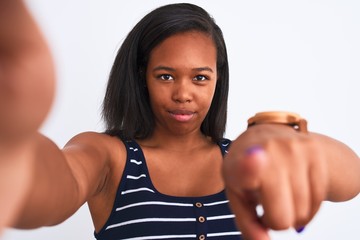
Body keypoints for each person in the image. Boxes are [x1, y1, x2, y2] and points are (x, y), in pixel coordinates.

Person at [1, 1, 359, 240]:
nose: (183, 94)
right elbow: (50, 185)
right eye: (166, 76)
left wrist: (280, 135)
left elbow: (351, 179)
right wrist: (13, 138)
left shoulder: (244, 161)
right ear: (142, 76)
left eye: (200, 78)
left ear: (218, 79)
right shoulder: (109, 156)